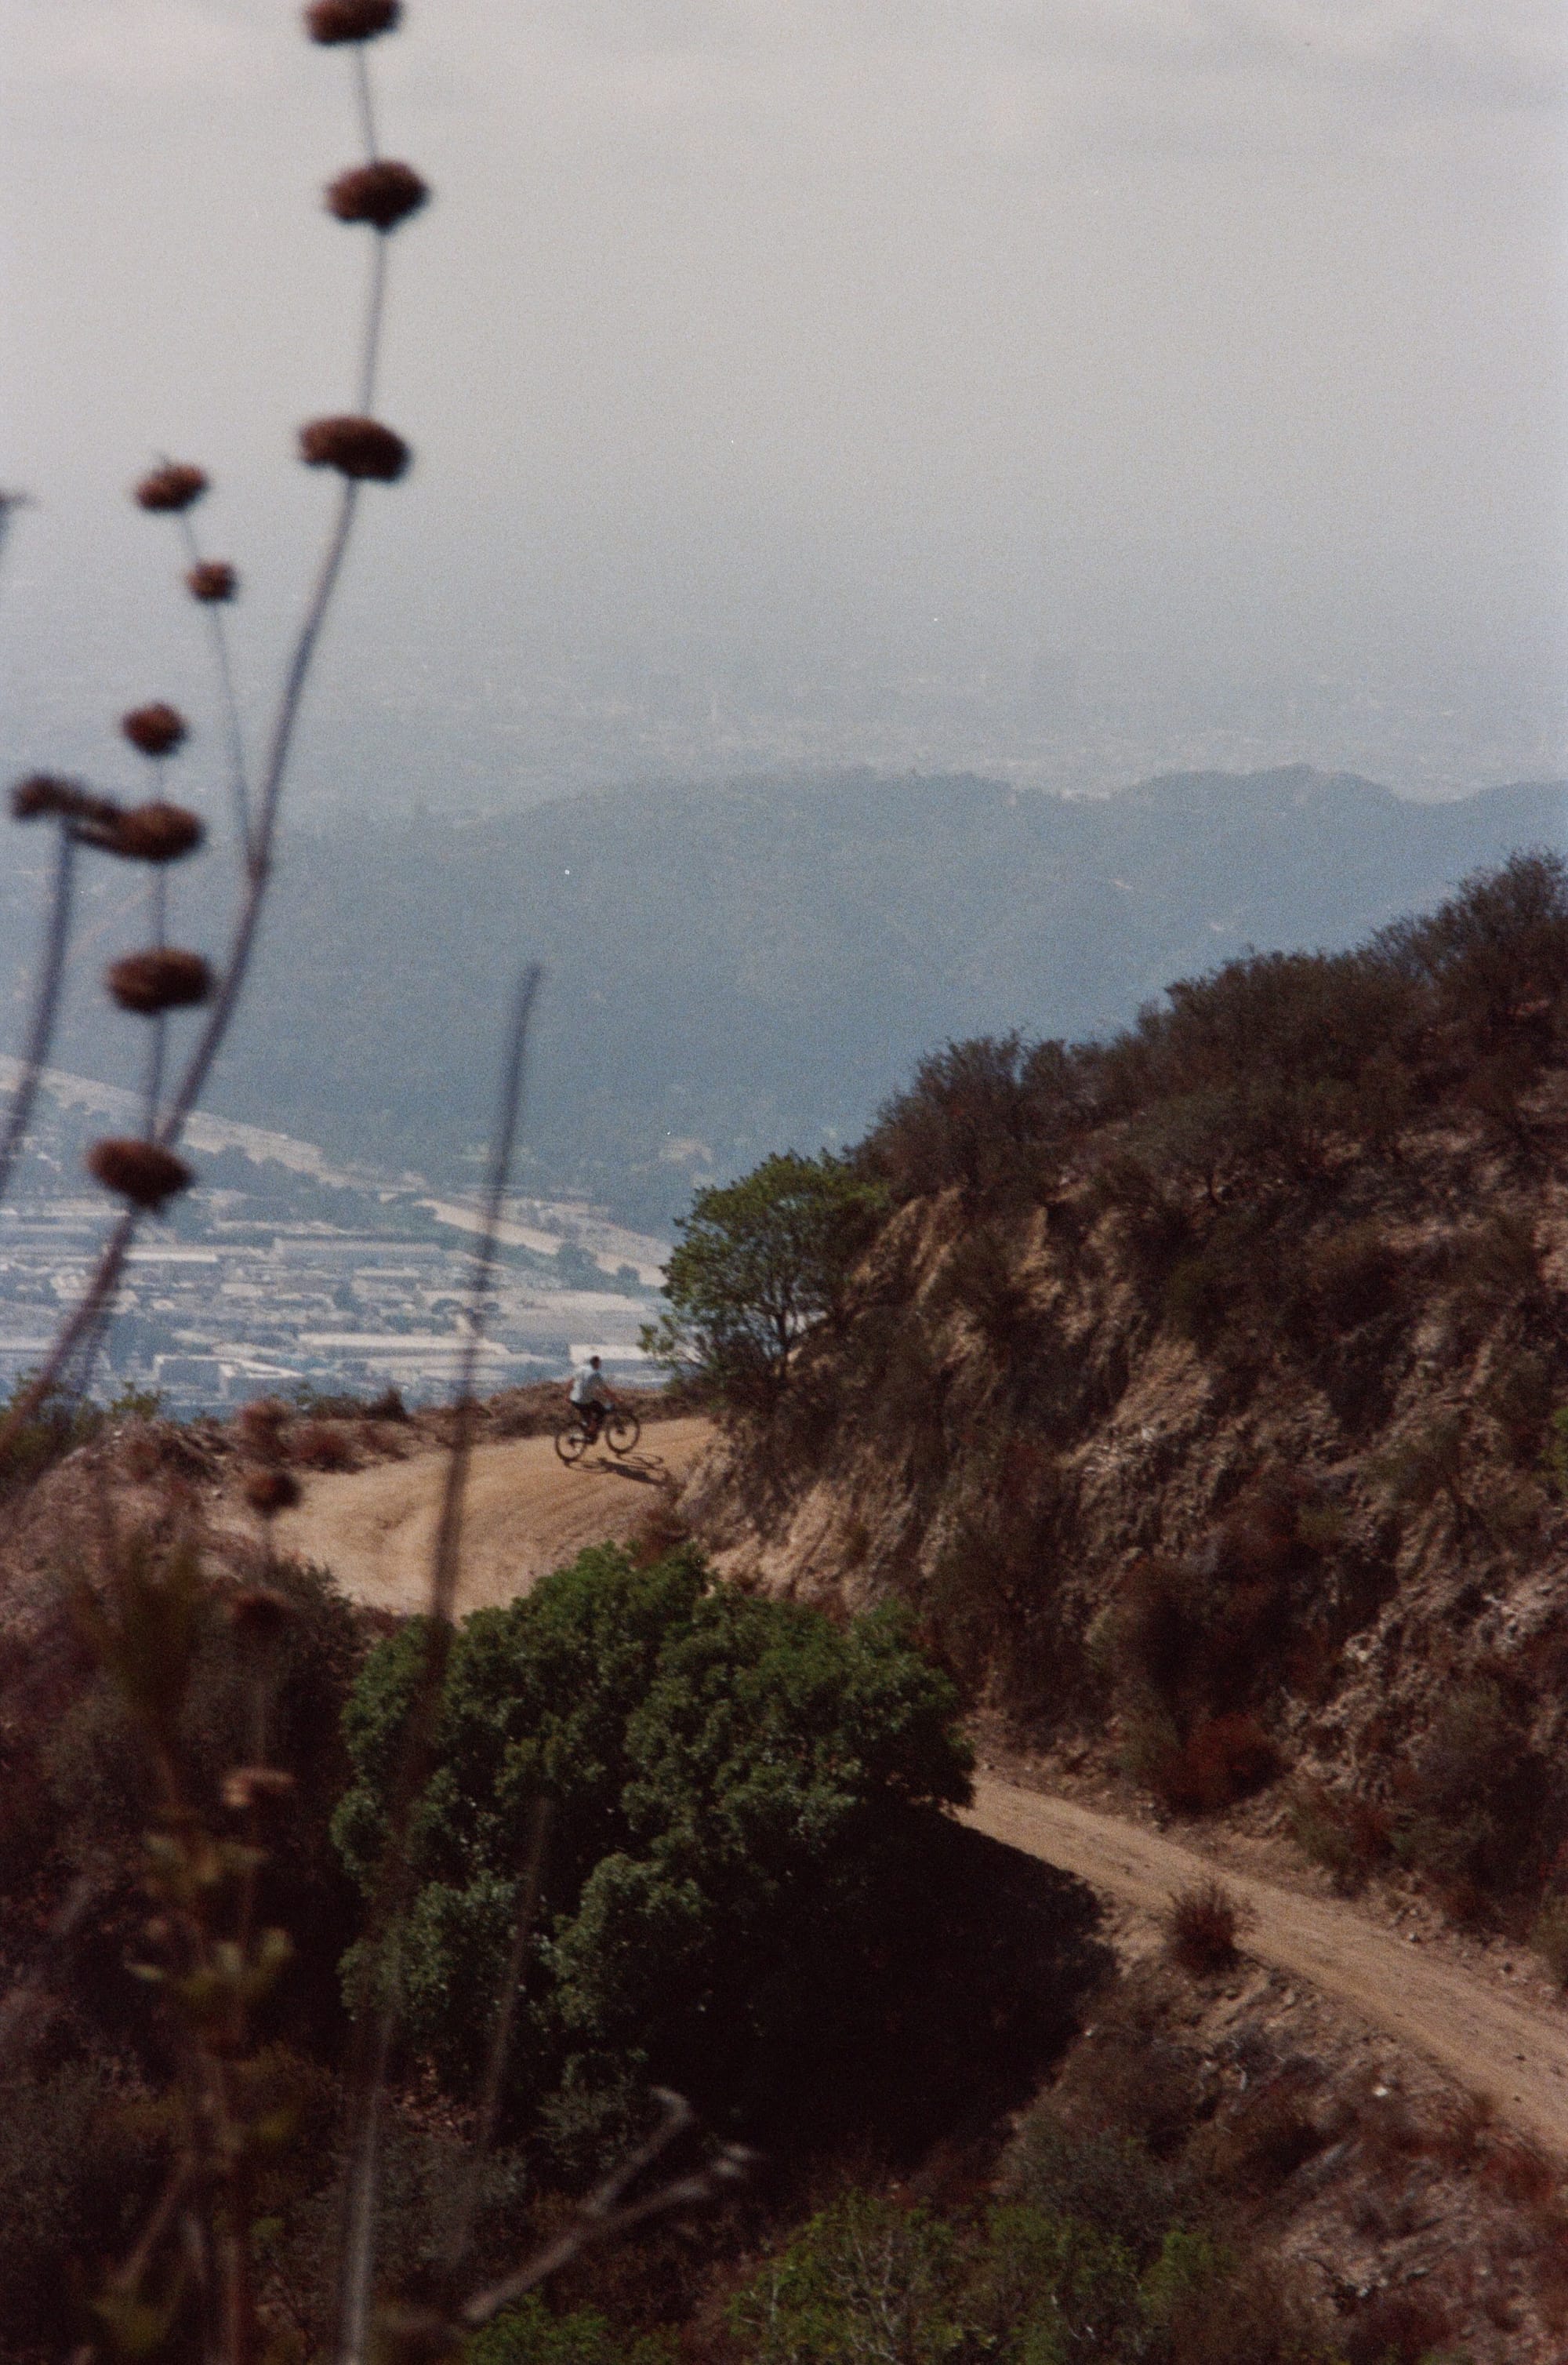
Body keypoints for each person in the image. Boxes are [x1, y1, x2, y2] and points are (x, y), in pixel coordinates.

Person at [567, 1353, 615, 1442]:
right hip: (584, 1402)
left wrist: (567, 1396)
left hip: (574, 1399)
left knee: (595, 1407)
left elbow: (570, 1382)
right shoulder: (596, 1374)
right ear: (596, 1363)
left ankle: (589, 1428)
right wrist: (616, 1399)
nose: (600, 1365)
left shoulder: (580, 1369)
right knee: (602, 1412)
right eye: (599, 1363)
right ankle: (588, 1436)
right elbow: (606, 1390)